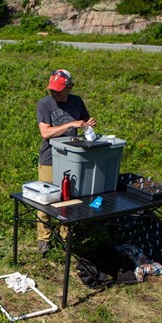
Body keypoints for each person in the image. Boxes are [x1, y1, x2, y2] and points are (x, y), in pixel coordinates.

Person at [36, 69, 96, 256]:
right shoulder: (45, 104)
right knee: (46, 200)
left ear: (69, 87)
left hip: (72, 157)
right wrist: (71, 124)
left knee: (68, 199)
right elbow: (45, 133)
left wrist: (88, 123)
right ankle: (43, 239)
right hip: (50, 158)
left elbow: (84, 119)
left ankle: (65, 235)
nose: (55, 93)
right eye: (52, 89)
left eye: (59, 89)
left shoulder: (76, 101)